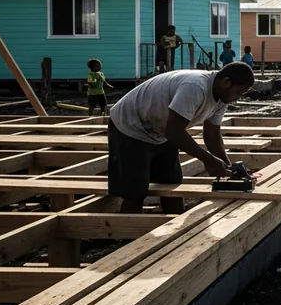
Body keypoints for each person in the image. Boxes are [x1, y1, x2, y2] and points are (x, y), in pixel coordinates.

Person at [107, 63, 255, 214]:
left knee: (172, 185)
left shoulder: (222, 97)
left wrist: (228, 168)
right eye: (239, 92)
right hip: (130, 125)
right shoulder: (195, 87)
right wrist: (208, 160)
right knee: (135, 191)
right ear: (226, 82)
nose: (238, 98)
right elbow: (174, 131)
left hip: (160, 130)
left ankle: (174, 223)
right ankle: (129, 228)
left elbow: (212, 135)